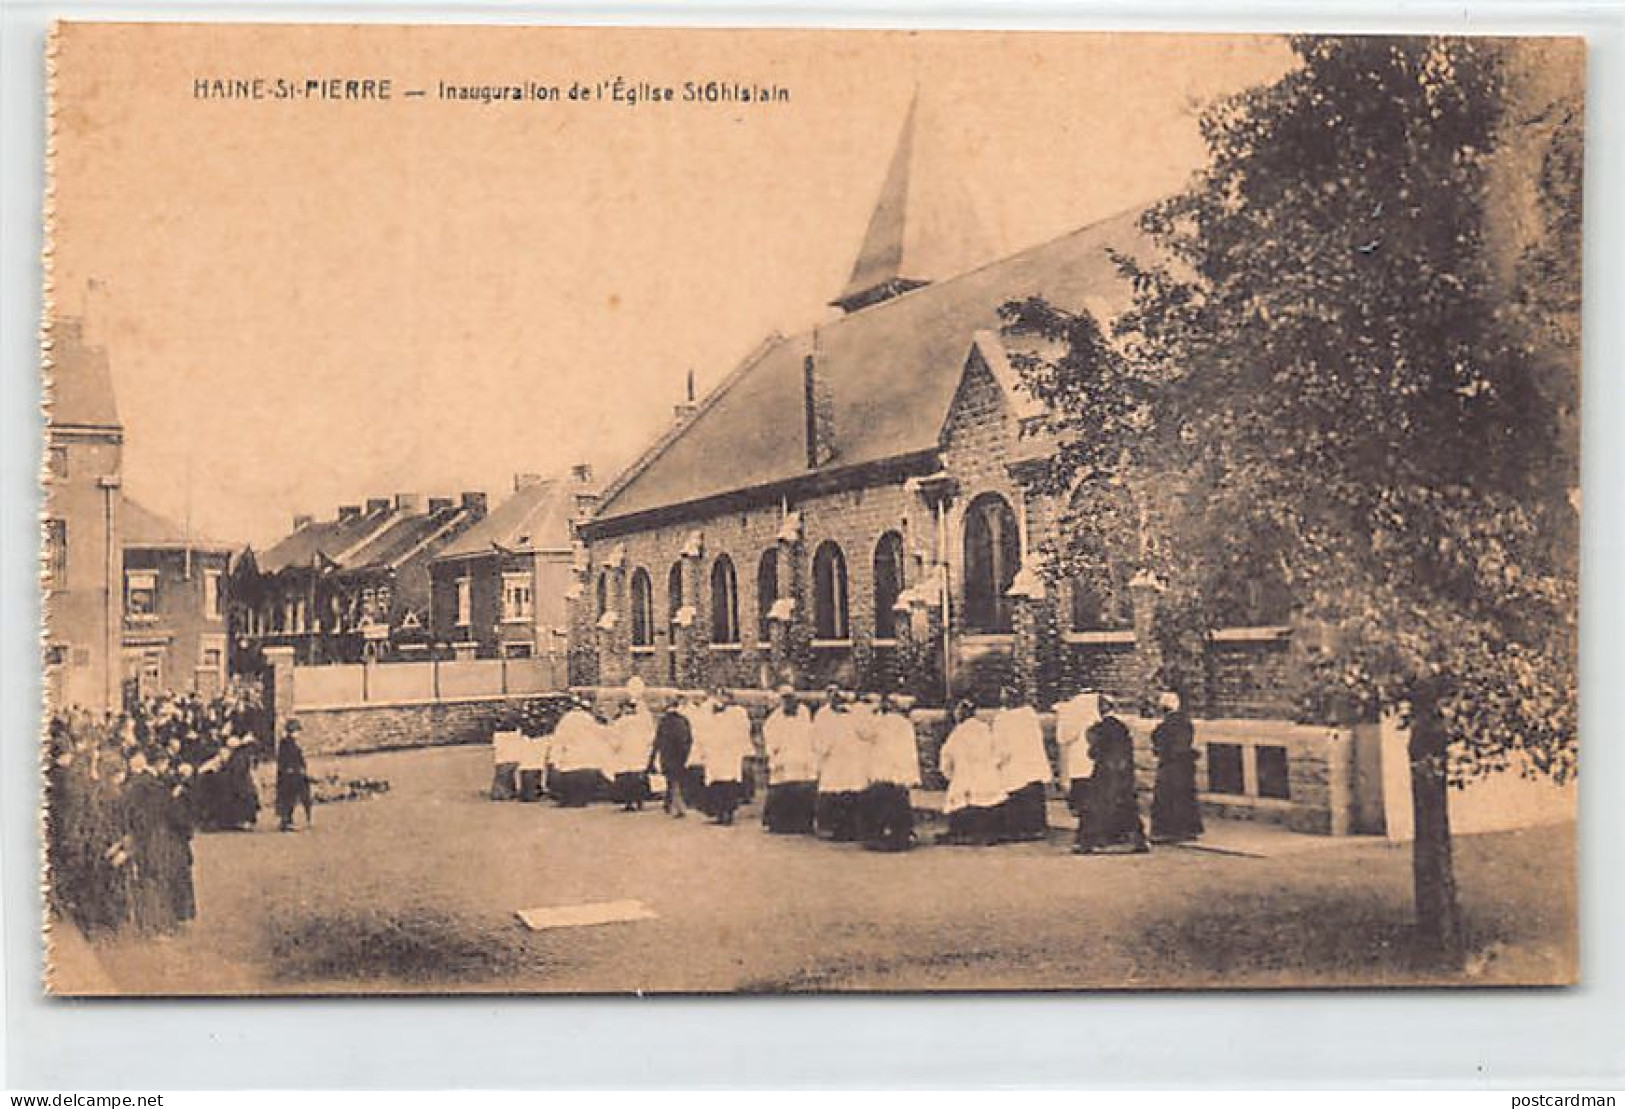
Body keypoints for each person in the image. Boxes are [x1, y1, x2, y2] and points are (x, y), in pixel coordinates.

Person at [1074, 695, 1149, 854]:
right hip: (1122, 773)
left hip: (1104, 772)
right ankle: (1134, 840)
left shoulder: (1099, 728)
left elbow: (1093, 752)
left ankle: (1093, 841)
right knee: (1125, 804)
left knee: (1097, 805)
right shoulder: (1122, 727)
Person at [991, 685, 1052, 843]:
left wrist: (995, 762)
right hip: (1031, 763)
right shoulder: (1029, 715)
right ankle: (1037, 828)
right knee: (1033, 794)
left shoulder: (1003, 719)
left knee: (1017, 797)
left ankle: (1019, 829)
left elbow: (1002, 748)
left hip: (1014, 765)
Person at [938, 699, 1003, 845]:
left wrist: (950, 776)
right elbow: (998, 754)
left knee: (962, 798)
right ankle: (986, 832)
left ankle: (964, 832)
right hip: (986, 778)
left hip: (965, 779)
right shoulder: (986, 730)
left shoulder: (958, 733)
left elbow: (946, 758)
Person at [862, 691, 921, 851]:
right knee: (898, 805)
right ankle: (900, 836)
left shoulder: (881, 722)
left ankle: (878, 835)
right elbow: (910, 751)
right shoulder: (905, 724)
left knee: (881, 804)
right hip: (898, 772)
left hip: (883, 770)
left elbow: (863, 733)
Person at [762, 684, 818, 834]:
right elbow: (770, 737)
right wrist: (774, 752)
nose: (788, 702)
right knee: (782, 789)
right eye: (785, 698)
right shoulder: (775, 718)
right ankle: (781, 823)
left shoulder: (804, 713)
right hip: (784, 757)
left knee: (803, 790)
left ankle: (803, 823)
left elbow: (809, 733)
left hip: (801, 756)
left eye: (790, 698)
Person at [1150, 690, 1204, 844]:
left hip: (1170, 765)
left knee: (1167, 797)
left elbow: (1159, 744)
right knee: (1185, 796)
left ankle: (1168, 830)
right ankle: (1188, 830)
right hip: (1185, 766)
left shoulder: (1164, 726)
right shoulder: (1186, 724)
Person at [812, 688, 865, 841]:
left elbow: (862, 733)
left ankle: (851, 828)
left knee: (850, 791)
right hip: (832, 759)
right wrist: (824, 749)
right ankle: (831, 828)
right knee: (832, 792)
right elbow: (817, 737)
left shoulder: (852, 714)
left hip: (850, 760)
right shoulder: (822, 715)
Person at [703, 689, 753, 825]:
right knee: (716, 784)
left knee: (729, 784)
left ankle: (728, 813)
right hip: (715, 754)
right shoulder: (710, 713)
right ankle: (719, 813)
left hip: (729, 754)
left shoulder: (737, 713)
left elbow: (743, 730)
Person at [1055, 691, 1101, 840]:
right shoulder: (1093, 712)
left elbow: (1064, 738)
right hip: (1089, 762)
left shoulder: (1071, 712)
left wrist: (1064, 774)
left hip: (1079, 763)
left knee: (1084, 800)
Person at [608, 691, 656, 811]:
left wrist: (614, 748)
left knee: (627, 779)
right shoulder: (642, 722)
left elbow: (615, 740)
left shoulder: (620, 723)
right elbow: (650, 737)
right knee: (639, 778)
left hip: (625, 754)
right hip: (640, 754)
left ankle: (629, 802)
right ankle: (640, 801)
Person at [649, 696, 694, 818]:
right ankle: (672, 804)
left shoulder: (664, 722)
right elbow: (689, 739)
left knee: (672, 780)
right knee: (676, 780)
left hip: (667, 755)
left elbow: (657, 741)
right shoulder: (684, 720)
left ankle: (675, 806)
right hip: (681, 754)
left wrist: (652, 759)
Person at [275, 720, 313, 832]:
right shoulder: (285, 743)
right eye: (296, 731)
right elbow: (284, 760)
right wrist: (290, 769)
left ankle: (291, 820)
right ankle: (286, 821)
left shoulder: (293, 744)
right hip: (288, 777)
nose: (298, 734)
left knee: (294, 797)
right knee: (287, 798)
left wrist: (302, 768)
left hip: (295, 775)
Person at [491, 721, 524, 801]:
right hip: (509, 754)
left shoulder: (498, 735)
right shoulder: (515, 734)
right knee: (506, 772)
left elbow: (496, 746)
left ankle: (503, 792)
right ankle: (504, 793)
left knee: (504, 772)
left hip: (504, 755)